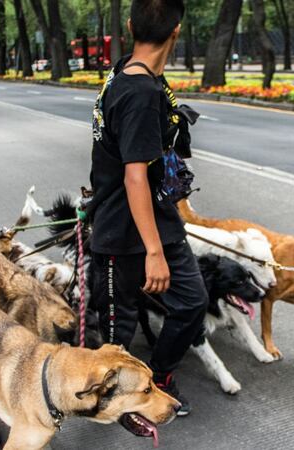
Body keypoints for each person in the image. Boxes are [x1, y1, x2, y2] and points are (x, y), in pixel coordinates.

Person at [86, 0, 206, 416]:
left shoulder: (133, 73)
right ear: (177, 31)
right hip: (121, 231)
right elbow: (134, 177)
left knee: (192, 302)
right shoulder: (138, 91)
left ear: (130, 25)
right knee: (118, 331)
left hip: (158, 218)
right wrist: (153, 252)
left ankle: (157, 378)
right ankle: (114, 402)